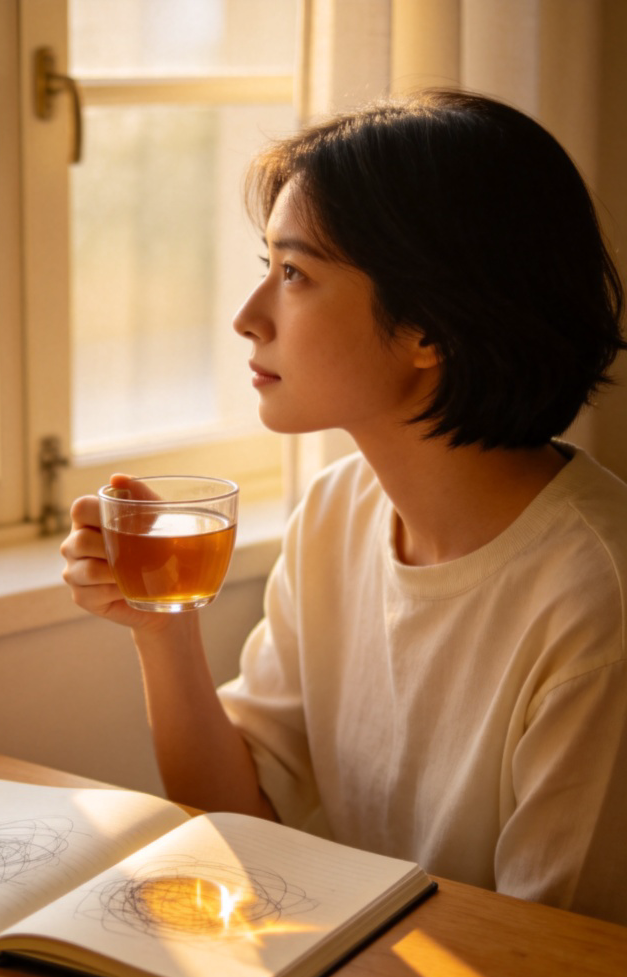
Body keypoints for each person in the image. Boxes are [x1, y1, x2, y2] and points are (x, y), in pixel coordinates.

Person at [60, 89, 627, 925]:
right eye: (267, 269)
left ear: (429, 329)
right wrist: (162, 626)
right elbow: (244, 823)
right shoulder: (338, 511)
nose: (248, 318)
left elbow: (571, 971)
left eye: (294, 275)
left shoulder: (597, 602)